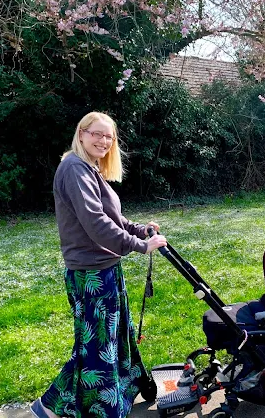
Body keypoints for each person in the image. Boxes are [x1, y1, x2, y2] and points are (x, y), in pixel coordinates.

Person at [30, 111, 167, 418]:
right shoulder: (74, 169)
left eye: (109, 136)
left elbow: (112, 218)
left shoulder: (89, 169)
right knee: (96, 349)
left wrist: (139, 229)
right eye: (97, 134)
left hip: (104, 268)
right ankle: (82, 408)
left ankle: (54, 405)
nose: (104, 141)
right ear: (81, 134)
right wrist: (141, 246)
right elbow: (96, 224)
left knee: (106, 343)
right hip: (90, 273)